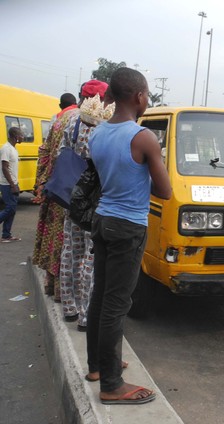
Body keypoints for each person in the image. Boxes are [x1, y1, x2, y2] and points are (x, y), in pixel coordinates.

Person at [86, 67, 171, 405]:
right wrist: (156, 161)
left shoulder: (98, 134)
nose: (148, 100)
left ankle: (96, 365)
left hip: (103, 219)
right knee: (117, 304)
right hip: (128, 227)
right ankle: (111, 383)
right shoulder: (143, 137)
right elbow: (164, 191)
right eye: (148, 95)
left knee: (100, 297)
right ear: (138, 97)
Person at [59, 80, 110, 327]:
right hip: (96, 198)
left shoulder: (72, 122)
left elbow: (62, 155)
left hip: (72, 195)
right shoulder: (105, 126)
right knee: (91, 257)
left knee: (71, 251)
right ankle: (86, 316)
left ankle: (69, 307)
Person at [32, 92, 79, 299]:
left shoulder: (58, 120)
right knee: (71, 245)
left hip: (56, 190)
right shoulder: (85, 120)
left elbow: (44, 151)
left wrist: (41, 182)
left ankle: (51, 285)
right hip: (75, 195)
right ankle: (65, 294)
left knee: (54, 241)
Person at [0, 127, 24, 242]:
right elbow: (4, 168)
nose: (23, 137)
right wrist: (12, 185)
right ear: (15, 136)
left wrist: (15, 184)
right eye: (21, 135)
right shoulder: (6, 148)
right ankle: (6, 234)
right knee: (10, 208)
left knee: (12, 210)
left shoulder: (13, 149)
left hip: (14, 183)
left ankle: (6, 235)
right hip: (7, 184)